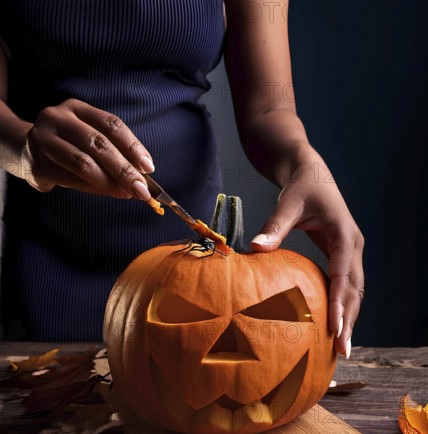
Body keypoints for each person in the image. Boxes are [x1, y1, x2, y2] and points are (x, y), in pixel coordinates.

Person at [0, 1, 363, 356]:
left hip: (192, 260)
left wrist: (304, 163)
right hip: (47, 261)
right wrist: (24, 151)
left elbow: (268, 109)